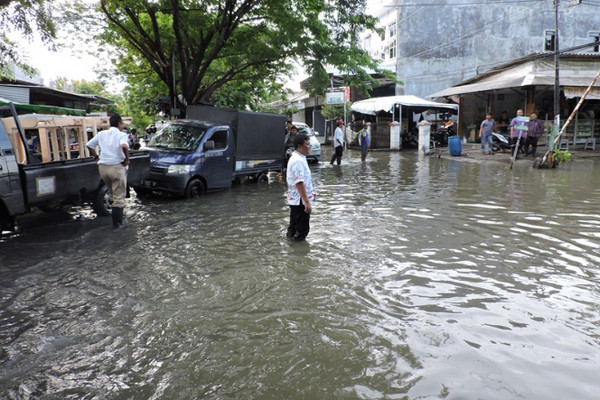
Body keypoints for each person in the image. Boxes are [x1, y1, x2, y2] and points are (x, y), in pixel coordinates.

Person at [86, 114, 130, 229]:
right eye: (122, 124)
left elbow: (89, 145)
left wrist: (96, 157)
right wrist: (127, 160)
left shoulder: (101, 134)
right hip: (116, 167)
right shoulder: (122, 135)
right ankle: (118, 225)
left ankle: (115, 219)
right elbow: (124, 146)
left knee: (112, 193)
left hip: (103, 168)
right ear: (119, 124)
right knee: (119, 197)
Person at [286, 133, 316, 241]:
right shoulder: (297, 160)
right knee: (302, 231)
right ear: (299, 146)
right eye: (307, 144)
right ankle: (298, 255)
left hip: (295, 200)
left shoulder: (299, 158)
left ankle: (290, 247)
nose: (309, 147)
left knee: (293, 228)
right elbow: (299, 182)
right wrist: (307, 202)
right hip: (299, 201)